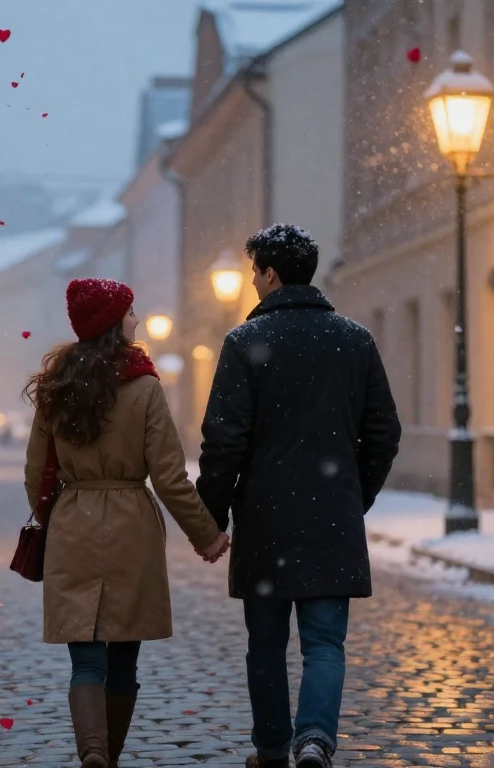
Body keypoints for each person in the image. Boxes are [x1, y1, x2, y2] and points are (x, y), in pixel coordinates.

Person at [196, 224, 402, 768]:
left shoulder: (245, 343)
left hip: (265, 519)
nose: (253, 284)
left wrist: (212, 516)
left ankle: (269, 749)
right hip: (332, 515)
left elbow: (223, 439)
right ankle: (314, 739)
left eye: (254, 273)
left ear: (270, 274)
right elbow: (384, 430)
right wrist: (354, 492)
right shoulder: (354, 339)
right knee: (324, 643)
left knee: (265, 644)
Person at [24, 277, 231, 768]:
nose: (137, 320)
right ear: (115, 324)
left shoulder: (56, 388)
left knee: (86, 659)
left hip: (74, 521)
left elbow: (36, 473)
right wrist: (207, 535)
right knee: (123, 658)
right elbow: (170, 476)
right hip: (131, 527)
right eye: (130, 312)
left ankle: (92, 751)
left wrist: (57, 517)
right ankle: (109, 756)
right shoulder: (143, 388)